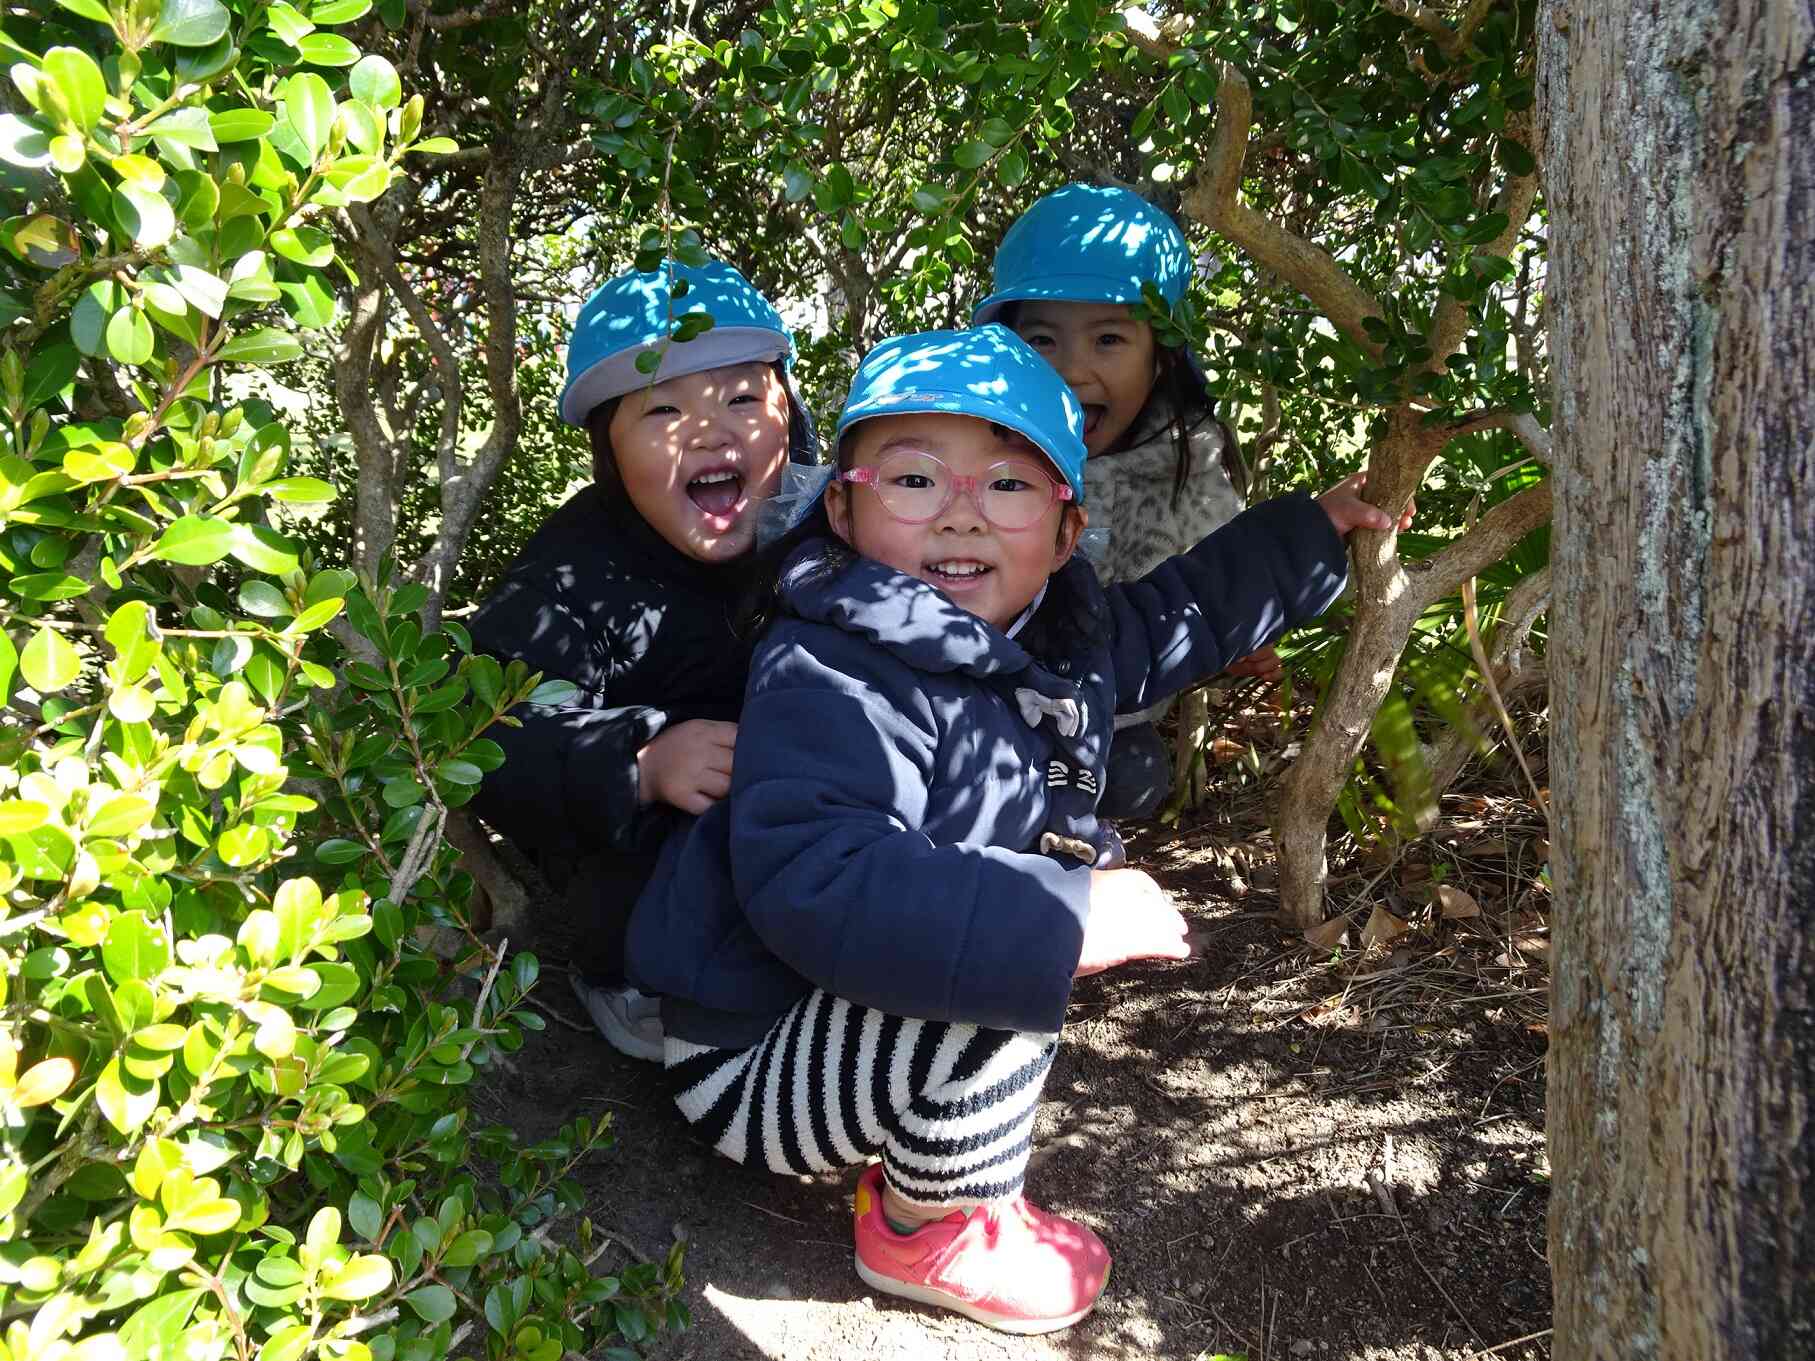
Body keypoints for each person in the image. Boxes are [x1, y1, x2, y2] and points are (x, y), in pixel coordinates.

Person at [625, 325, 1405, 1332]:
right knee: (1002, 943)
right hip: (750, 1051)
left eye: (1007, 486)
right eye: (914, 480)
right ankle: (927, 1229)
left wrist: (1307, 536)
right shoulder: (830, 668)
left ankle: (938, 1164)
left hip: (835, 1014)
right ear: (842, 506)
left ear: (1066, 531)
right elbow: (821, 880)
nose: (962, 515)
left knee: (1003, 924)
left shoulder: (1055, 631)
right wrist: (1058, 913)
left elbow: (1182, 614)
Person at [468, 257, 816, 1062]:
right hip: (649, 853)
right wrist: (641, 762)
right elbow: (494, 734)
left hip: (798, 806)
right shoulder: (571, 568)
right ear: (608, 451)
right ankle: (631, 982)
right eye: (662, 409)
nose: (709, 430)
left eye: (740, 397)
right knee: (631, 897)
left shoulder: (825, 523)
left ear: (788, 412)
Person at [975, 182, 1279, 821]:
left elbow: (1209, 574)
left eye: (1108, 340)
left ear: (1161, 358)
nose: (1072, 371)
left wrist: (1240, 637)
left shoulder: (1183, 468)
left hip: (1098, 709)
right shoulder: (972, 447)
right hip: (966, 701)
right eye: (1042, 341)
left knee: (1133, 775)